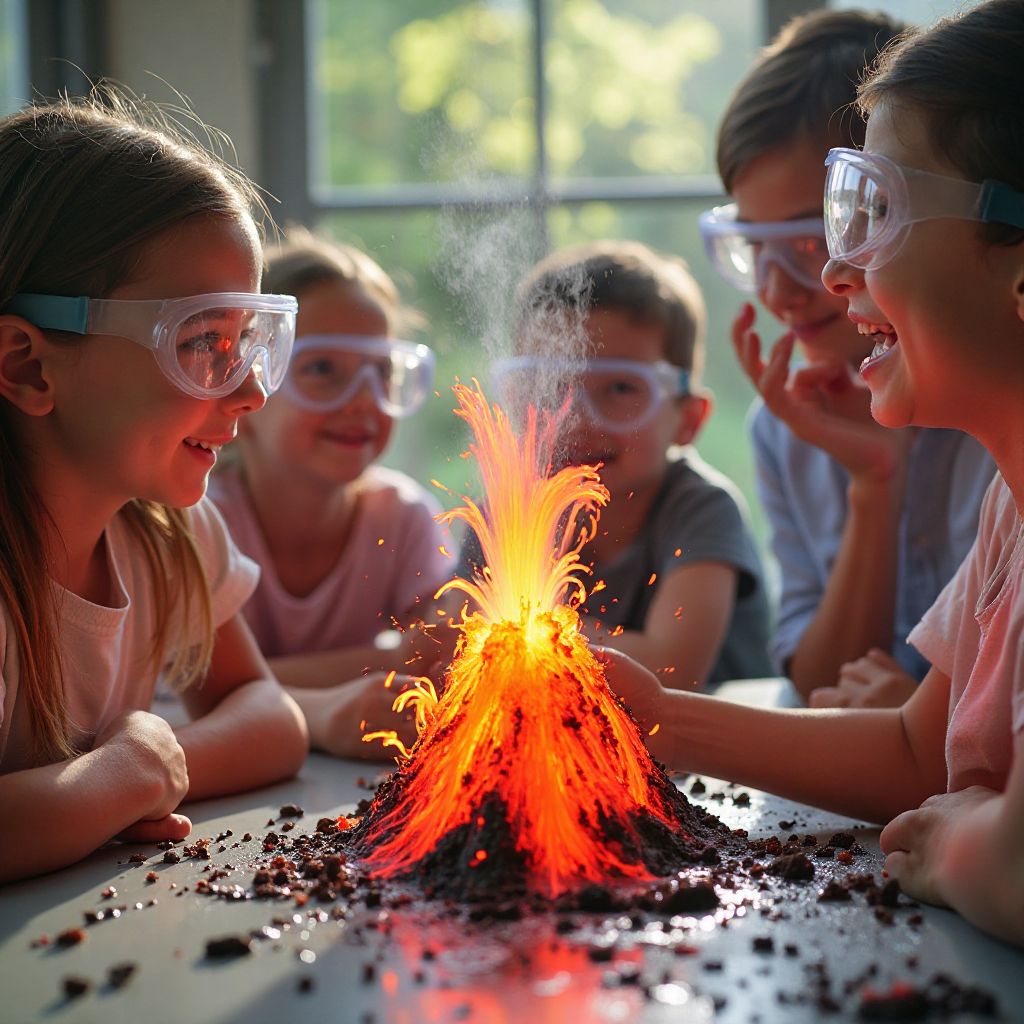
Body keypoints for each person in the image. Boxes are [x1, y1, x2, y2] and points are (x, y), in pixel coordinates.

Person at [609, 0, 1024, 947]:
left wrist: (962, 839)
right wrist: (654, 718)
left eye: (874, 214)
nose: (835, 274)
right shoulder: (1014, 503)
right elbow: (919, 748)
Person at [0, 92, 311, 884]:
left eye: (250, 343)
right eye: (205, 342)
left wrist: (151, 764)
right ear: (28, 365)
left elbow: (271, 718)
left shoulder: (167, 534)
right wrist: (122, 774)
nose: (251, 393)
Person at [700, 9, 995, 707]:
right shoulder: (784, 429)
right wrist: (874, 482)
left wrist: (921, 726)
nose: (779, 291)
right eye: (754, 249)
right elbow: (820, 687)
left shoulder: (994, 411)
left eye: (810, 240)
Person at [208, 228, 453, 755]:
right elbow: (189, 702)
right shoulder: (201, 524)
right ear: (242, 384)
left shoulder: (403, 516)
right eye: (322, 369)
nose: (364, 401)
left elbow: (439, 653)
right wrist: (386, 663)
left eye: (382, 373)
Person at [491, 240, 772, 689]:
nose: (576, 419)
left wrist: (511, 629)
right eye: (550, 386)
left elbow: (669, 672)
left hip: (712, 755)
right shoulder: (508, 513)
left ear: (688, 419)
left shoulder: (701, 510)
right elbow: (441, 643)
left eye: (621, 389)